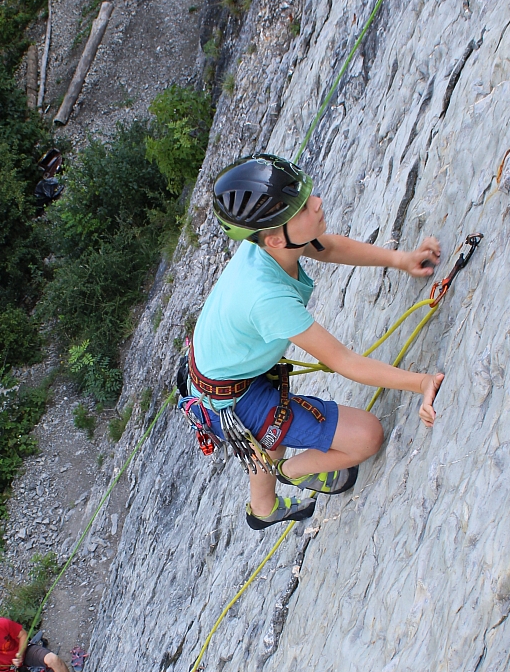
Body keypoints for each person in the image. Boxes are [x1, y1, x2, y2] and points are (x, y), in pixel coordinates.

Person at [190, 152, 444, 530]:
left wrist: (400, 259)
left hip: (223, 373)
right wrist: (420, 382)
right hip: (233, 396)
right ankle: (290, 472)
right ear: (276, 238)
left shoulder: (273, 243)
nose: (317, 202)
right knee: (367, 436)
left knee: (269, 428)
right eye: (303, 207)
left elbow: (327, 247)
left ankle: (262, 508)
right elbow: (346, 362)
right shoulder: (267, 298)